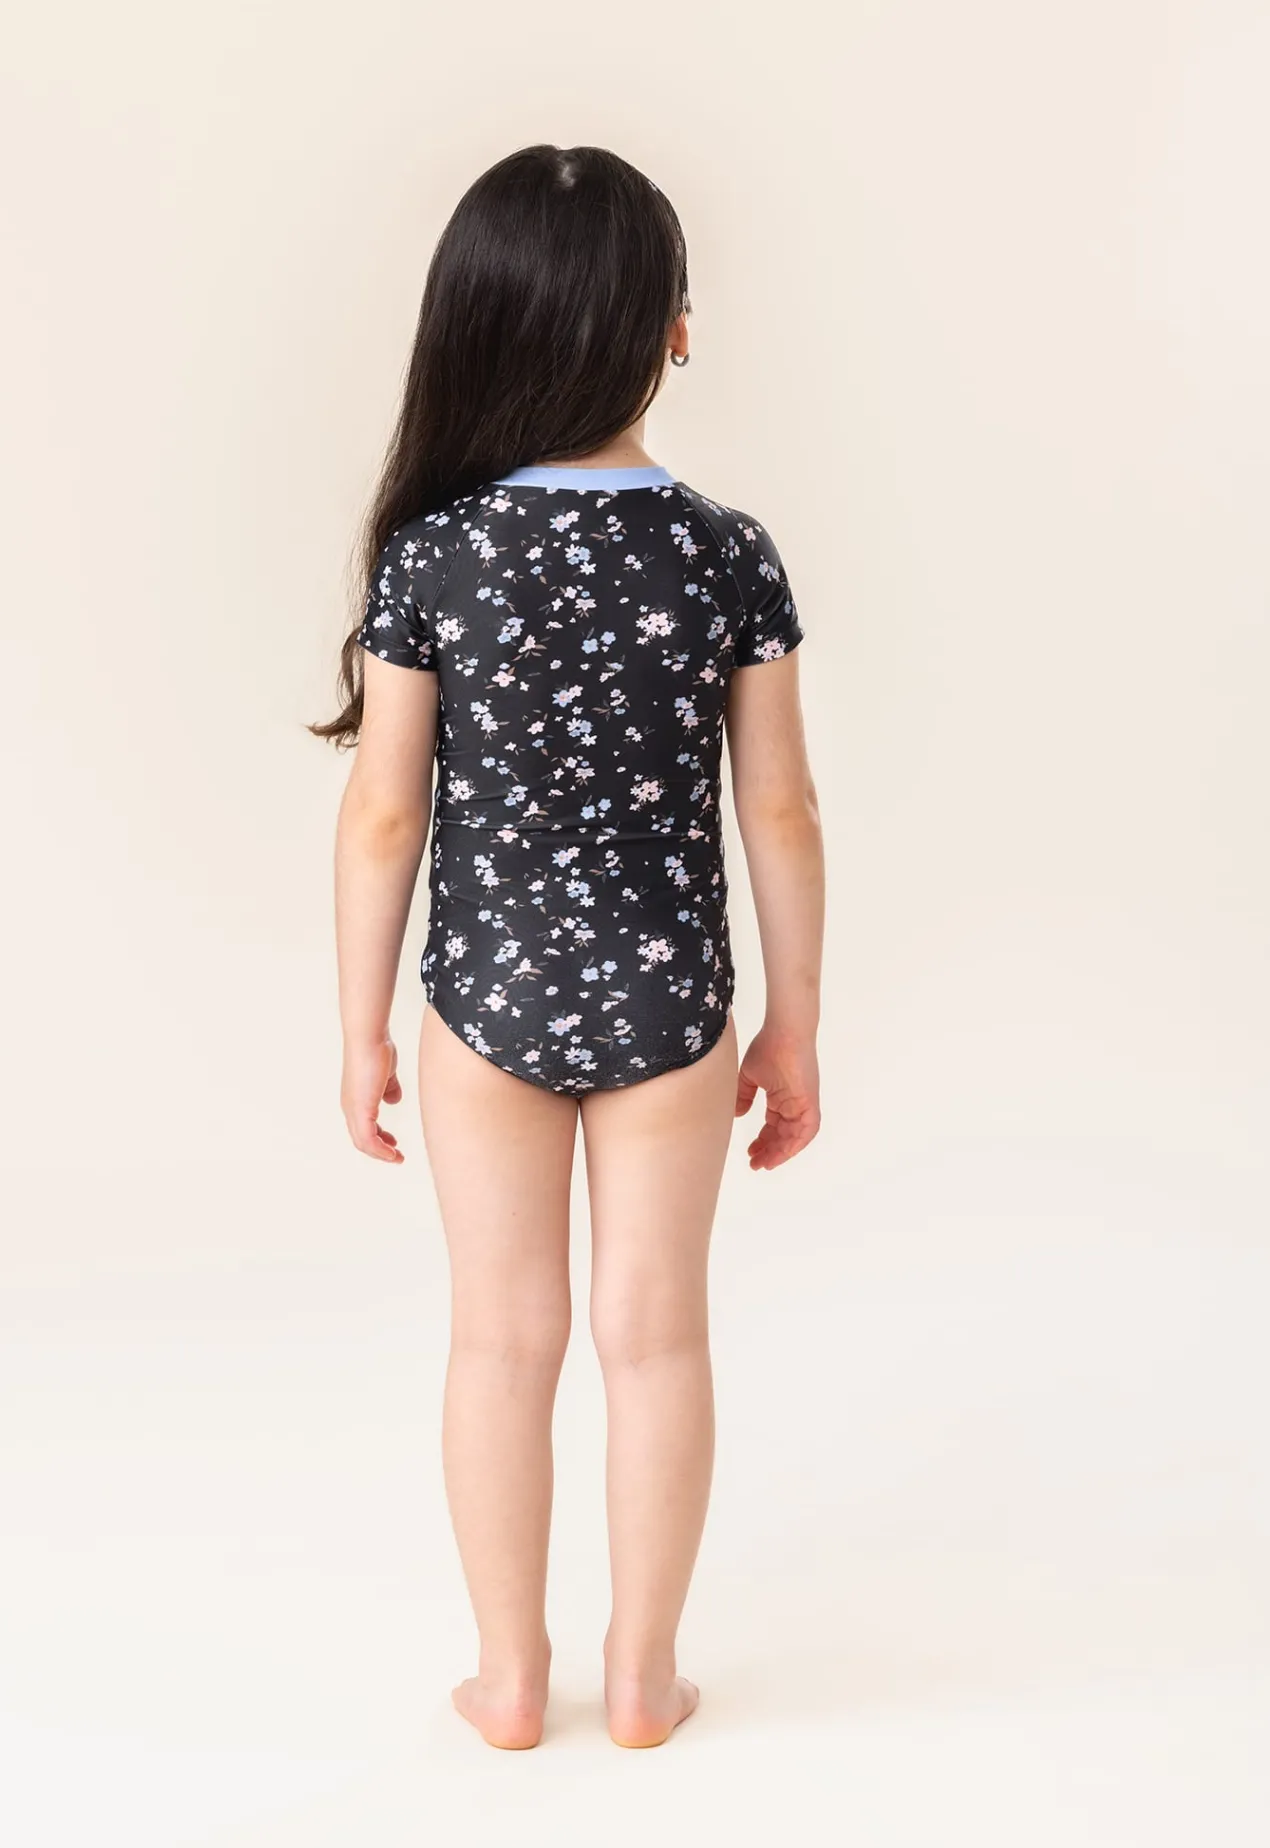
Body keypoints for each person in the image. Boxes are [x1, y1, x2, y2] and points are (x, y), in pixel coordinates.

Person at [311, 144, 825, 1750]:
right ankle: (649, 1677)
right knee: (655, 1339)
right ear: (671, 328)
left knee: (500, 1338)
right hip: (674, 1003)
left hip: (487, 999)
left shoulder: (434, 556)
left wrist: (360, 1027)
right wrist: (795, 1025)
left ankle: (512, 1676)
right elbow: (782, 810)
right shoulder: (726, 553)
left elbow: (384, 817)